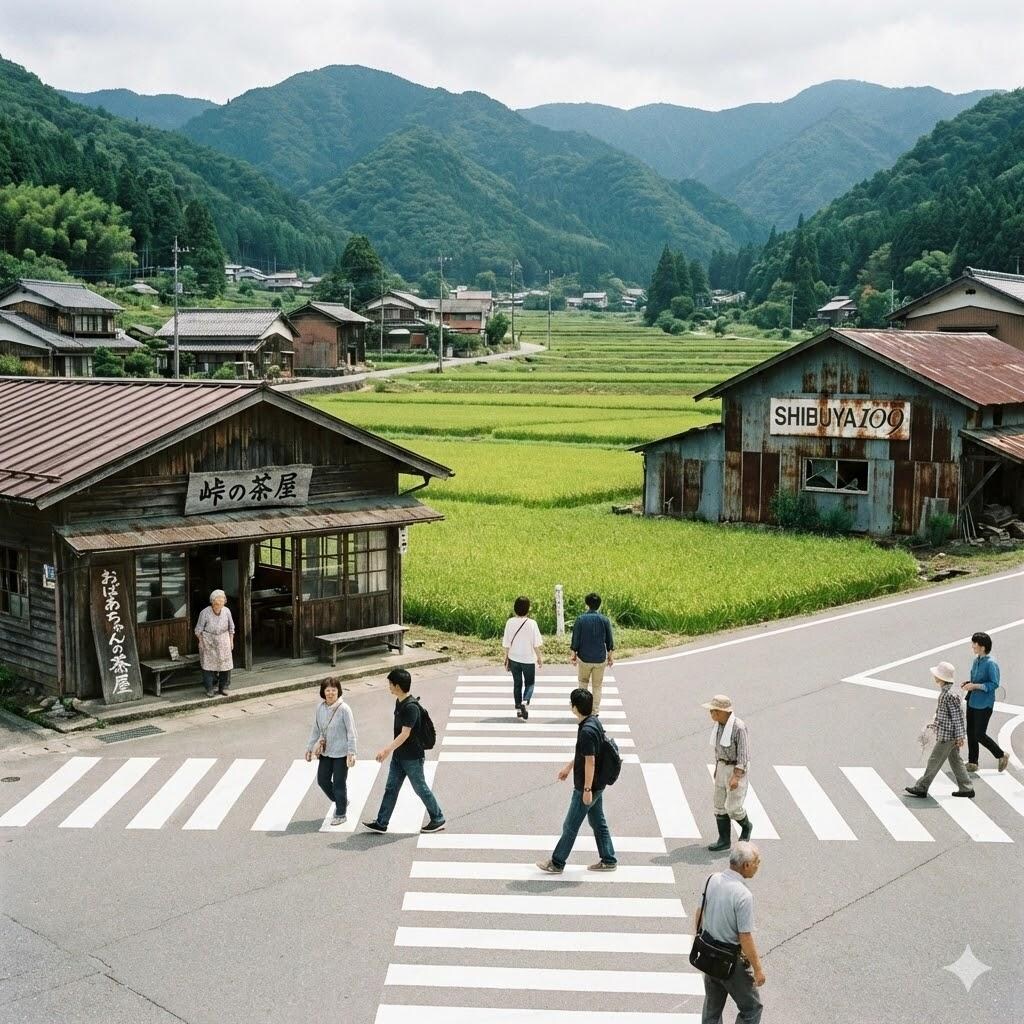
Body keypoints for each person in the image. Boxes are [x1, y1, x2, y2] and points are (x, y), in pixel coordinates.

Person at [536, 687, 617, 873]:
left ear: (574, 708)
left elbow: (590, 761)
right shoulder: (594, 722)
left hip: (588, 786)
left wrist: (587, 790)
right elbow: (587, 754)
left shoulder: (587, 731)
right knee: (597, 821)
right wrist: (569, 767)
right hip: (598, 784)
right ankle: (609, 859)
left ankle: (557, 862)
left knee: (570, 825)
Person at [363, 669, 445, 834]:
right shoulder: (399, 702)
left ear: (397, 686)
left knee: (420, 788)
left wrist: (386, 750)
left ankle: (438, 818)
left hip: (412, 757)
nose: (389, 687)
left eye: (390, 684)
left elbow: (405, 734)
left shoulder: (411, 707)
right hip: (399, 756)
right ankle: (381, 822)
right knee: (391, 788)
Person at [694, 842, 765, 1024]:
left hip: (708, 953)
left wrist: (698, 939)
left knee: (712, 1010)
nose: (759, 865)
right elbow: (745, 937)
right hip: (731, 962)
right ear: (746, 865)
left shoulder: (712, 878)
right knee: (752, 1009)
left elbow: (699, 913)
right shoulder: (743, 895)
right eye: (757, 861)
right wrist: (758, 970)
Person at [905, 662, 974, 799]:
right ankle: (967, 787)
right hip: (948, 734)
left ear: (941, 678)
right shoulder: (947, 693)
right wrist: (934, 724)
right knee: (956, 760)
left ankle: (922, 787)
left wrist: (961, 736)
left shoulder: (949, 695)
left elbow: (957, 717)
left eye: (936, 675)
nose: (934, 676)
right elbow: (948, 715)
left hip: (947, 736)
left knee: (934, 761)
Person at [305, 679, 357, 826]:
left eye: (334, 689)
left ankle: (341, 813)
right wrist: (309, 747)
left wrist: (352, 752)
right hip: (326, 752)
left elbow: (351, 733)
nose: (330, 692)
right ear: (323, 692)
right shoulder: (320, 708)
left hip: (341, 753)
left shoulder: (344, 709)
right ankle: (342, 801)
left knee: (339, 783)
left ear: (338, 691)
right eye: (327, 690)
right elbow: (316, 729)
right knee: (322, 780)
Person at [703, 694, 752, 852]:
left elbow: (743, 755)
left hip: (734, 768)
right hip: (722, 766)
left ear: (725, 712)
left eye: (715, 711)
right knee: (719, 805)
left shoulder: (739, 727)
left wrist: (736, 776)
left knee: (733, 807)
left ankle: (746, 827)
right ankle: (724, 840)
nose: (712, 714)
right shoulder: (718, 726)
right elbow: (718, 749)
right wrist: (717, 769)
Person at [961, 631, 1010, 773]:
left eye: (974, 644)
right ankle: (972, 762)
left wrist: (975, 686)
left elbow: (994, 684)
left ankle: (1001, 755)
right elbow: (977, 680)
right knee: (970, 732)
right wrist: (969, 683)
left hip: (984, 704)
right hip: (972, 700)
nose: (972, 646)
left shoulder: (991, 664)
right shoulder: (977, 660)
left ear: (982, 647)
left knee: (979, 734)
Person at [569, 592, 614, 714]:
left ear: (587, 604)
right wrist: (610, 657)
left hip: (584, 659)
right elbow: (609, 641)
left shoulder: (580, 619)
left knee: (583, 684)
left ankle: (582, 710)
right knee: (597, 686)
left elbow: (575, 639)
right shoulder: (605, 620)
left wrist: (573, 655)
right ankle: (594, 712)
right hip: (600, 659)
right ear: (599, 605)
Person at [502, 596, 544, 720]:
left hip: (514, 658)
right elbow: (536, 644)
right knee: (530, 683)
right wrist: (539, 657)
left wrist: (506, 659)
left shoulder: (510, 622)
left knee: (517, 683)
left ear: (515, 609)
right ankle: (525, 702)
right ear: (528, 609)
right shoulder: (532, 623)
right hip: (528, 659)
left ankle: (519, 708)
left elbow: (506, 643)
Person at [194, 589, 235, 697]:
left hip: (223, 640)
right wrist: (201, 642)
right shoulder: (205, 613)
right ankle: (209, 689)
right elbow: (198, 630)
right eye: (217, 603)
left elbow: (231, 628)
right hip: (208, 641)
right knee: (208, 666)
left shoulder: (226, 611)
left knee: (225, 666)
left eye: (221, 603)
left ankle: (223, 687)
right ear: (212, 602)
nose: (219, 606)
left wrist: (231, 641)